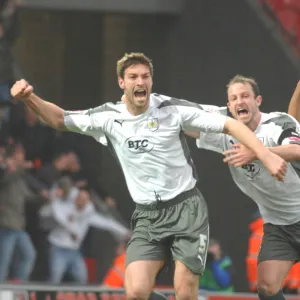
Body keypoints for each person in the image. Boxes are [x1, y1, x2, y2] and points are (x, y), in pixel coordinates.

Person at [10, 53, 286, 300]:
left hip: (186, 210)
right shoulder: (108, 117)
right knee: (135, 292)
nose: (140, 81)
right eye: (133, 77)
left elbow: (228, 124)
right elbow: (60, 118)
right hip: (147, 216)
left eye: (145, 76)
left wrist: (266, 154)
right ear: (122, 83)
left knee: (185, 292)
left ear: (151, 81)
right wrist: (29, 98)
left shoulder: (171, 109)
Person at [193, 75, 300, 300]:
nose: (240, 101)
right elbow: (184, 123)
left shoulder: (277, 123)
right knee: (267, 289)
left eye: (245, 96)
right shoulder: (226, 132)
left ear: (258, 100)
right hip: (279, 227)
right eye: (234, 98)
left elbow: (297, 151)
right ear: (229, 106)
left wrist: (257, 153)